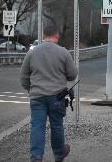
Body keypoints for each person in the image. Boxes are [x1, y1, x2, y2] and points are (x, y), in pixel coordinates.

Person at [20, 25, 78, 162]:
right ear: (57, 35)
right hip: (57, 97)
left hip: (37, 96)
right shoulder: (63, 52)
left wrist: (30, 89)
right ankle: (59, 153)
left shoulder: (32, 53)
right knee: (56, 125)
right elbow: (73, 74)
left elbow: (23, 76)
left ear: (43, 36)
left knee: (37, 126)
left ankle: (36, 157)